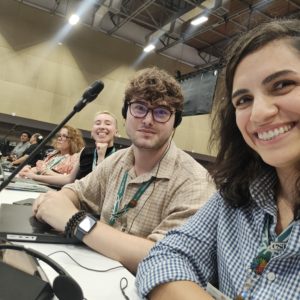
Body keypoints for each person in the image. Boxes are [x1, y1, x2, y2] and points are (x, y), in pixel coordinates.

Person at [136, 18, 300, 300]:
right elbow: (163, 256)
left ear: (176, 121)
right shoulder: (239, 191)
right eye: (243, 100)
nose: (259, 113)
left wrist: (78, 223)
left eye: (282, 84)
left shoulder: (192, 176)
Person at [32, 67, 215, 274]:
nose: (147, 119)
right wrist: (55, 203)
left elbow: (164, 257)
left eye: (161, 112)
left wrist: (74, 221)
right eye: (139, 108)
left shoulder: (195, 182)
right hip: (90, 269)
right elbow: (76, 191)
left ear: (176, 122)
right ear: (125, 114)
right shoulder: (119, 160)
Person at [20, 111, 118, 186]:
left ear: (116, 132)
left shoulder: (120, 156)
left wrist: (101, 158)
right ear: (92, 132)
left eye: (108, 124)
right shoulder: (86, 151)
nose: (102, 127)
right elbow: (69, 180)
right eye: (98, 123)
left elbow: (101, 187)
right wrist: (34, 176)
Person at [19, 125, 84, 178]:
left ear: (73, 140)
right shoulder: (53, 154)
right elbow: (38, 169)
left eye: (64, 136)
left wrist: (44, 171)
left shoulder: (75, 158)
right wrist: (29, 170)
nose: (59, 138)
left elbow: (68, 180)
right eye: (59, 135)